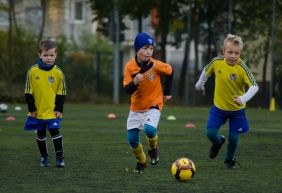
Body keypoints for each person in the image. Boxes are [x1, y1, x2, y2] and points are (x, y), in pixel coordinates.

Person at [195, 34, 259, 169]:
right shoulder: (216, 62)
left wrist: (243, 98)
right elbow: (206, 72)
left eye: (237, 53)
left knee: (234, 138)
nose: (233, 56)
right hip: (219, 108)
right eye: (230, 52)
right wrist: (199, 86)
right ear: (223, 51)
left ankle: (229, 160)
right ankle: (218, 143)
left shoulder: (242, 68)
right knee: (211, 133)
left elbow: (254, 86)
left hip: (237, 111)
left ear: (240, 54)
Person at [123, 32, 173, 173]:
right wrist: (135, 82)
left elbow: (170, 71)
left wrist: (167, 92)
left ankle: (153, 148)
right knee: (132, 140)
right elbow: (127, 90)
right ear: (137, 49)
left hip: (154, 105)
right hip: (136, 108)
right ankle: (142, 161)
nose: (148, 51)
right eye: (145, 48)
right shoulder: (129, 67)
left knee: (150, 130)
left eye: (151, 48)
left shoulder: (155, 65)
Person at [24, 39, 67, 168]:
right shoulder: (32, 71)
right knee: (40, 134)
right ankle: (44, 157)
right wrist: (32, 108)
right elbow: (28, 91)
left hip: (52, 111)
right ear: (40, 55)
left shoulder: (58, 73)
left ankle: (60, 158)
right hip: (37, 111)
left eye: (51, 55)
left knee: (55, 131)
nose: (48, 58)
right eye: (45, 55)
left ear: (56, 55)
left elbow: (62, 93)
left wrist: (59, 109)